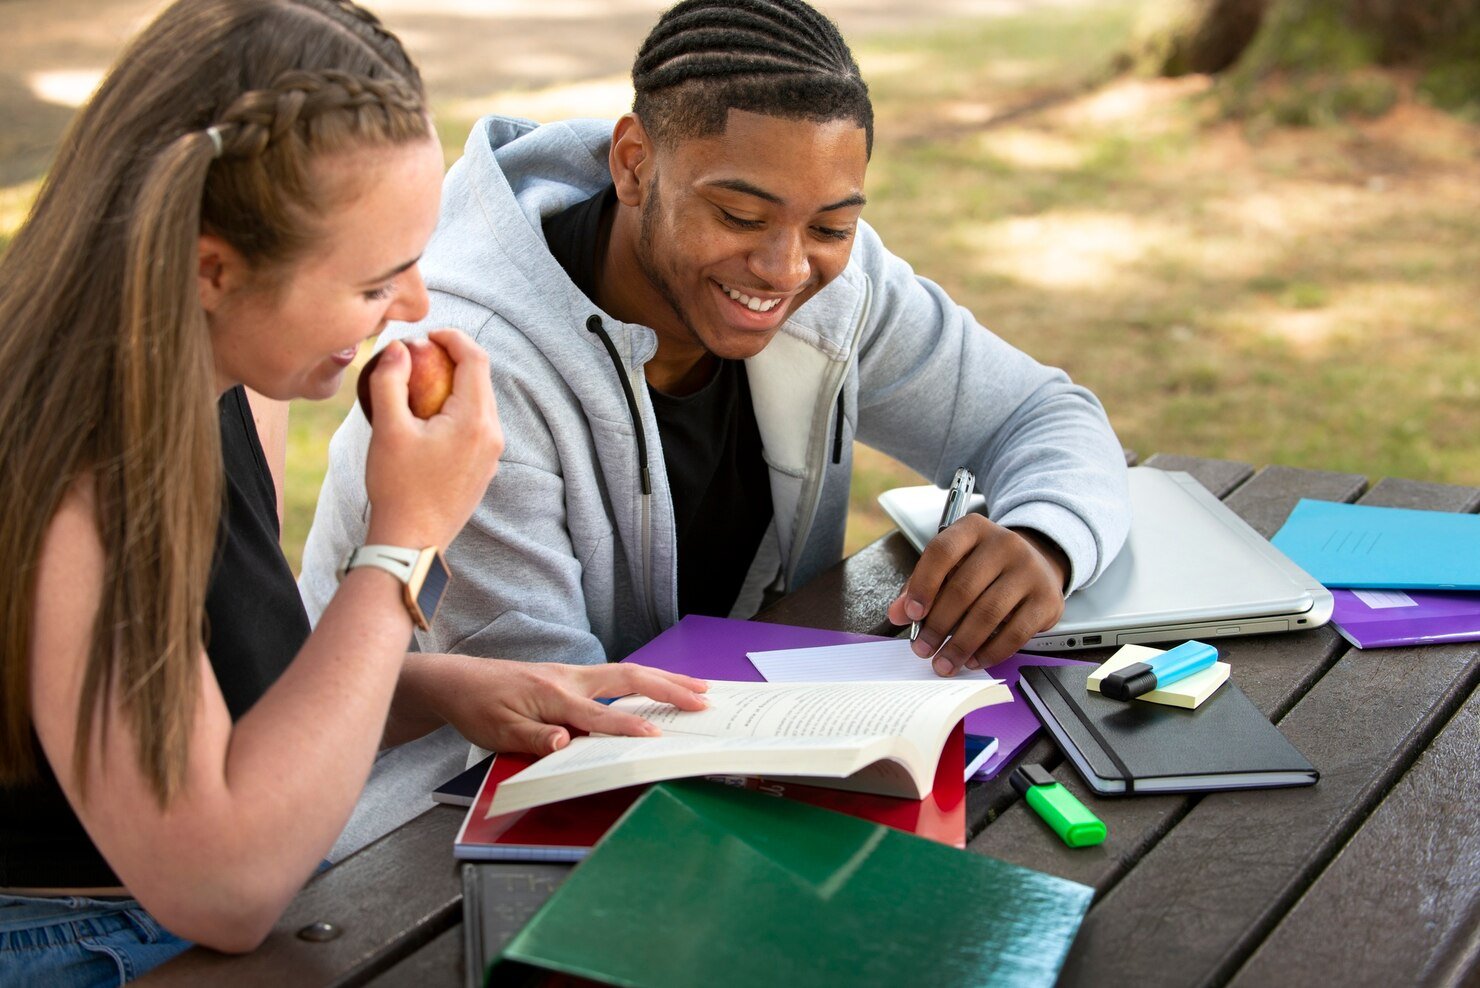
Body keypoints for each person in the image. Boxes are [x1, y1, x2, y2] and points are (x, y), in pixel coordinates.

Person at [298, 0, 1132, 847]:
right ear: (632, 164)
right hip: (429, 838)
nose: (785, 267)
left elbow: (1043, 412)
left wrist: (1044, 539)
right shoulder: (473, 359)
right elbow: (559, 714)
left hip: (714, 778)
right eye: (740, 217)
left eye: (832, 225)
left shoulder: (830, 280)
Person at [0, 1, 704, 983]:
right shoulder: (80, 462)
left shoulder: (219, 377)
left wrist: (448, 688)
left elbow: (227, 698)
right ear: (213, 268)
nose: (414, 307)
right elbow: (226, 886)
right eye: (377, 281)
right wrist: (403, 540)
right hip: (91, 942)